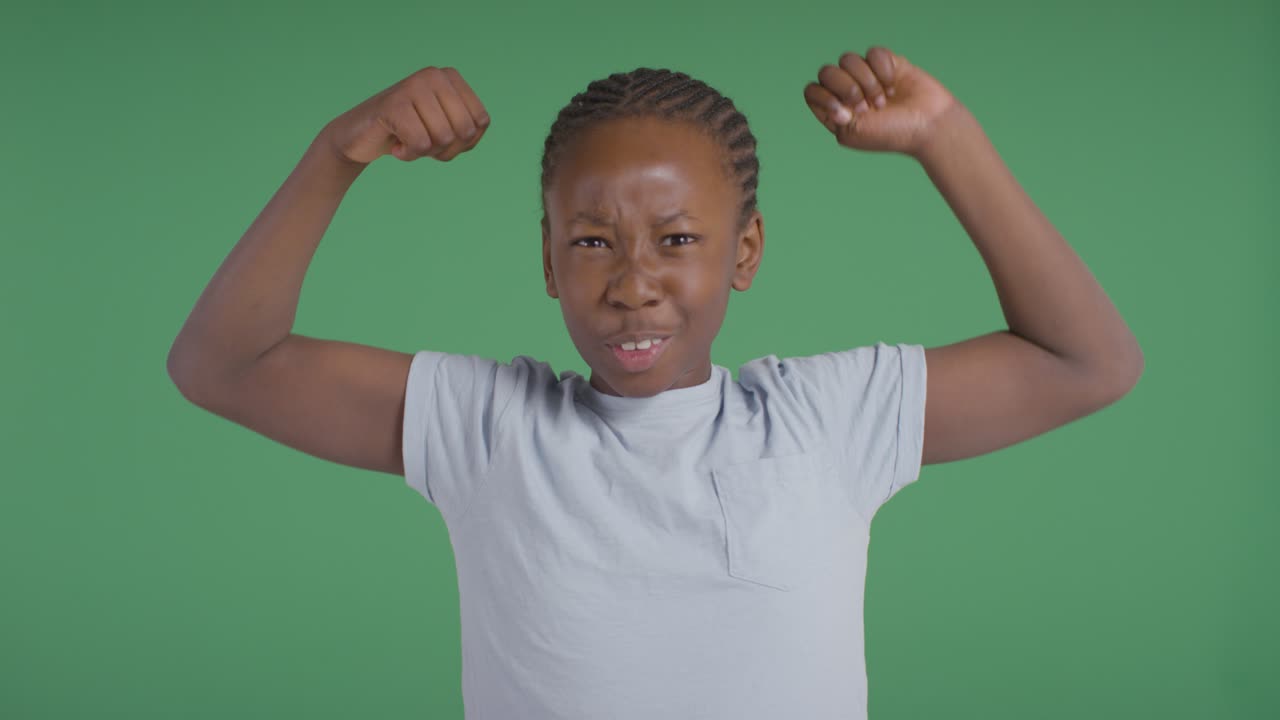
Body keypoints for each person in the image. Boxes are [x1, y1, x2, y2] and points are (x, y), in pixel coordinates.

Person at [167, 45, 1144, 719]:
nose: (633, 284)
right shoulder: (484, 427)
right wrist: (337, 154)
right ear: (548, 261)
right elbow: (222, 366)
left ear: (744, 251)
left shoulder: (825, 420)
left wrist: (945, 135)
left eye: (676, 241)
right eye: (592, 242)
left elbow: (1087, 362)